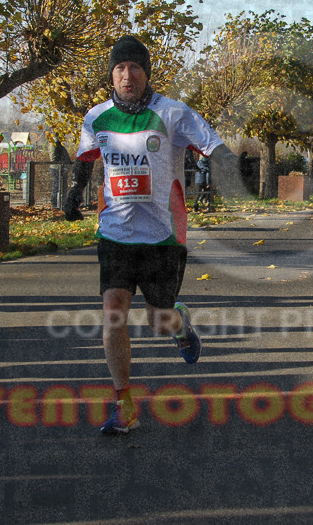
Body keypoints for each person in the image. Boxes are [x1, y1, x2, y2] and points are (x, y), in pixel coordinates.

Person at [63, 35, 238, 435]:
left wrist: (230, 166)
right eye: (120, 68)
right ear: (111, 74)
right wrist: (75, 192)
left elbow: (211, 143)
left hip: (162, 236)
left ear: (146, 72)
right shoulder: (96, 116)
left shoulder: (173, 113)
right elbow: (86, 160)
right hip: (115, 233)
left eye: (135, 67)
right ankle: (123, 404)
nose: (127, 75)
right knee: (113, 311)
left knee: (158, 322)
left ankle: (179, 323)